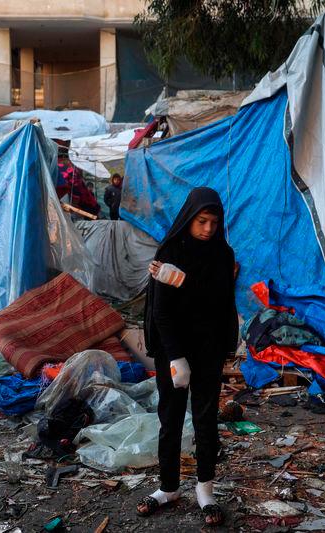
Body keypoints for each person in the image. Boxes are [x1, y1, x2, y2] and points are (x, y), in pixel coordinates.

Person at [137, 187, 238, 527]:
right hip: (173, 350)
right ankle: (168, 487)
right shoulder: (171, 250)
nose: (208, 229)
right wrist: (176, 357)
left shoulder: (222, 255)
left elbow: (218, 301)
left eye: (214, 222)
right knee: (171, 419)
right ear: (189, 218)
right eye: (201, 221)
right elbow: (161, 314)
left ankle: (205, 489)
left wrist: (180, 279)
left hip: (208, 349)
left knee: (206, 420)